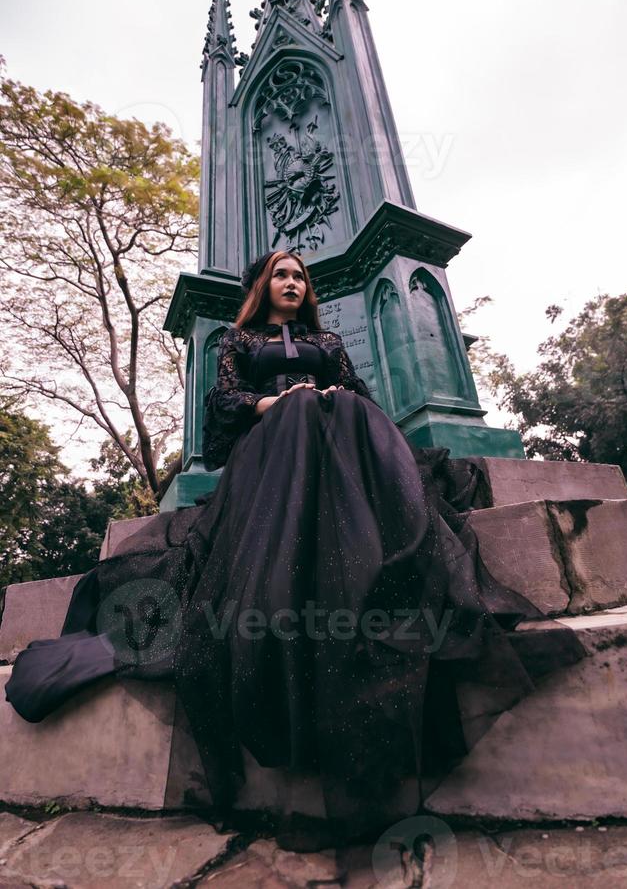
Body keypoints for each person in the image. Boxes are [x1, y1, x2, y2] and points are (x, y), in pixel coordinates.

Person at [5, 249, 586, 848]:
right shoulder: (238, 342)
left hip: (332, 444)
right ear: (262, 285)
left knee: (341, 408)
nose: (291, 282)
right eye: (280, 274)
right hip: (269, 456)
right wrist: (273, 403)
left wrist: (330, 396)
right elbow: (223, 405)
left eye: (299, 276)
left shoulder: (328, 340)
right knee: (299, 407)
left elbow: (362, 393)